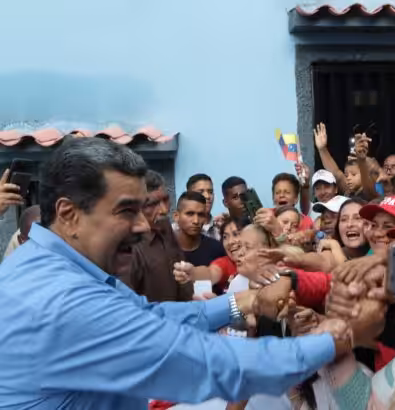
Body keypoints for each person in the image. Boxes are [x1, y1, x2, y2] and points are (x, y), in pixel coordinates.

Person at [0, 137, 353, 409]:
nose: (143, 226)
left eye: (145, 209)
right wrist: (330, 342)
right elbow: (207, 363)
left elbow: (150, 314)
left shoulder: (59, 269)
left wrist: (244, 302)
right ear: (69, 214)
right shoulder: (60, 298)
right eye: (127, 211)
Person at [119, 170, 193, 302]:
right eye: (152, 204)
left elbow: (182, 276)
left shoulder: (164, 226)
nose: (164, 210)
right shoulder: (127, 246)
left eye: (165, 199)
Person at [174, 191, 226, 268]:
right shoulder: (163, 248)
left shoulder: (217, 249)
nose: (196, 221)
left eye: (201, 215)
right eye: (190, 214)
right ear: (176, 216)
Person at [186, 173, 220, 240]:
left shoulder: (221, 227)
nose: (207, 196)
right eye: (201, 192)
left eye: (210, 192)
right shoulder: (178, 230)